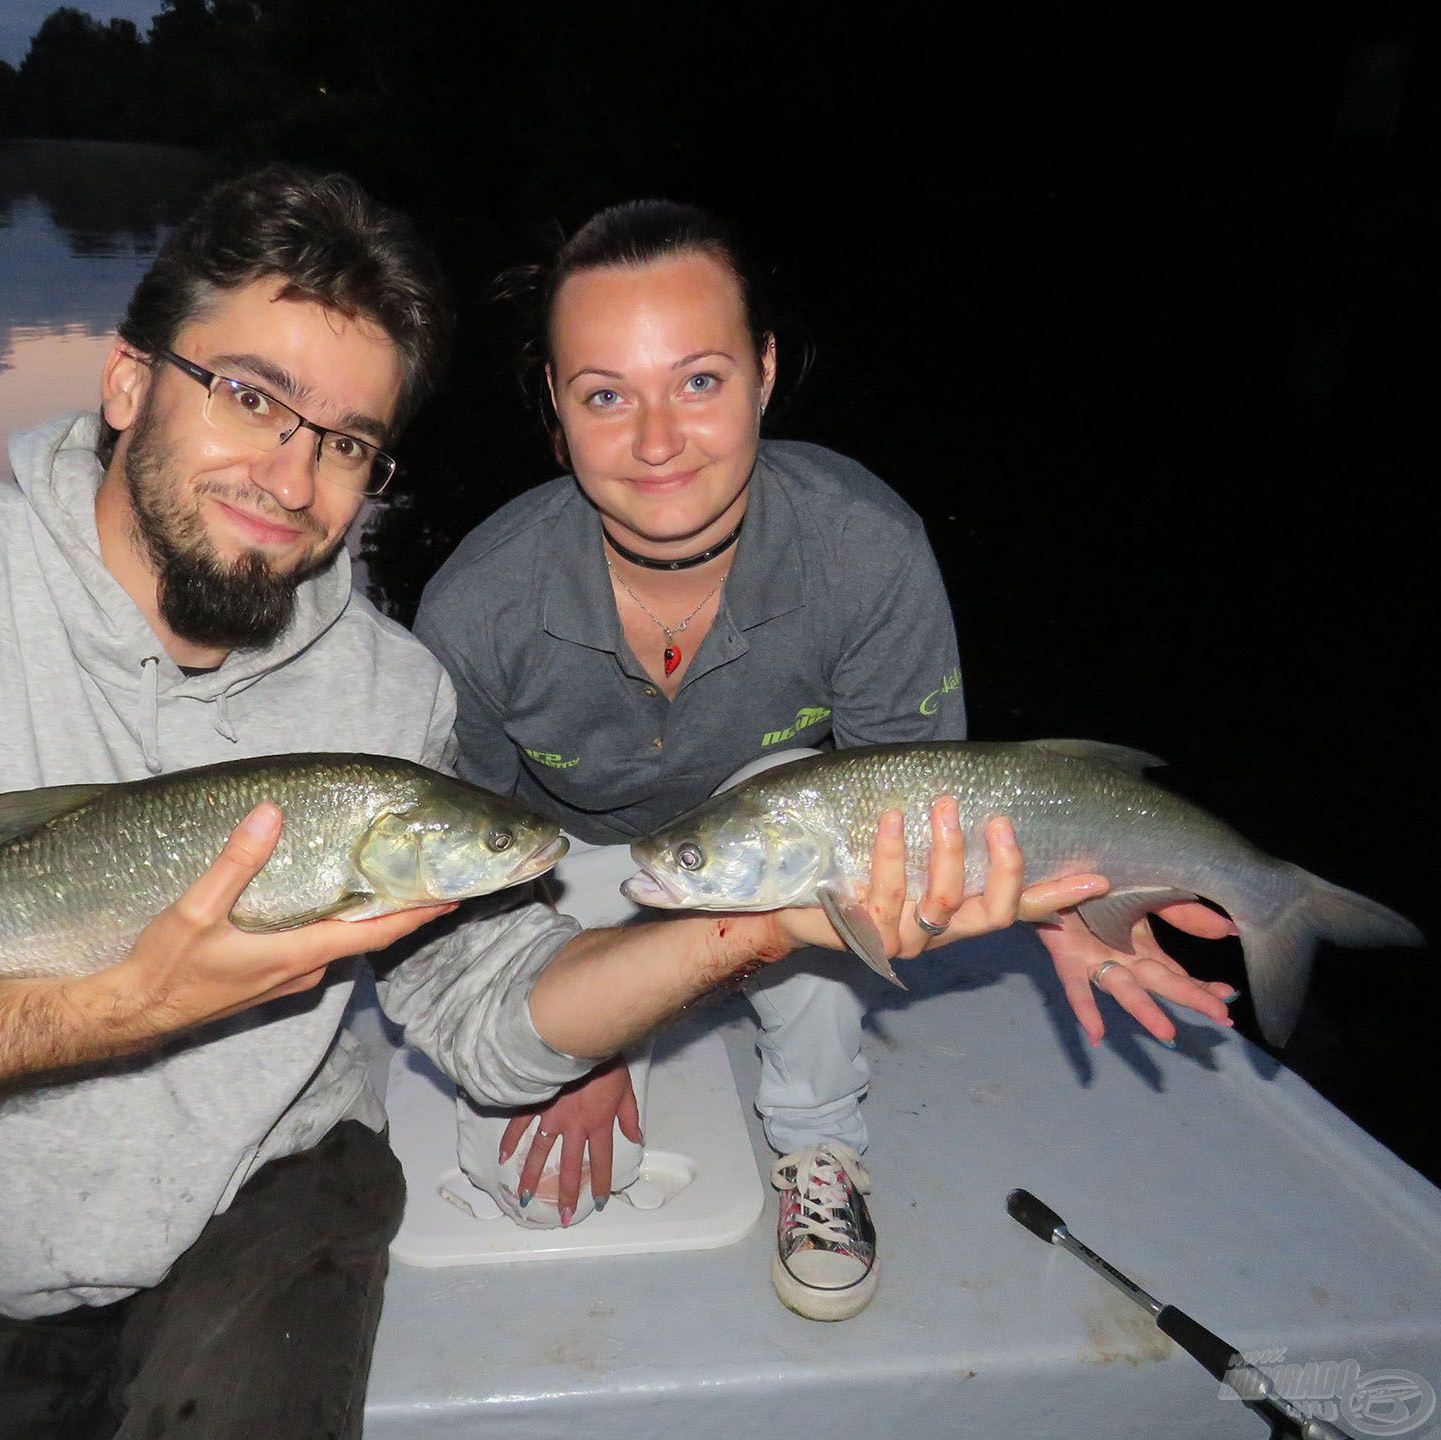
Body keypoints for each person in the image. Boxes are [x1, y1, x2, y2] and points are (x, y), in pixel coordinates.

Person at [0, 170, 1084, 1439]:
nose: (293, 469)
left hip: (270, 1192)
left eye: (348, 438)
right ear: (128, 380)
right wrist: (115, 1005)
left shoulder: (388, 699)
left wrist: (759, 929)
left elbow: (488, 1013)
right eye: (250, 394)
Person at [414, 200, 1238, 1322]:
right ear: (555, 415)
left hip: (772, 843)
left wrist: (1066, 904)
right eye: (606, 394)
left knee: (805, 824)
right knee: (530, 1188)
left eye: (698, 381)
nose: (657, 440)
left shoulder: (866, 548)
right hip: (572, 866)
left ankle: (817, 1139)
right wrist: (587, 1046)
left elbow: (914, 819)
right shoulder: (478, 604)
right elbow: (476, 869)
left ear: (761, 374)